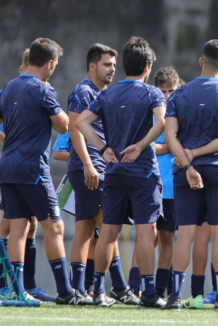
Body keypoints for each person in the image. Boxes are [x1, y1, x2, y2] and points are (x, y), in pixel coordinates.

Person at [76, 36, 166, 308]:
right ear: (148, 66)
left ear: (125, 65)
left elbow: (81, 122)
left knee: (109, 232)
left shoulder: (107, 94)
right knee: (145, 230)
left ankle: (97, 291)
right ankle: (148, 292)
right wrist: (140, 146)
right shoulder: (152, 93)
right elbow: (162, 123)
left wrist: (104, 149)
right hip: (143, 173)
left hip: (114, 172)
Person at [0, 37, 88, 304]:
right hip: (32, 168)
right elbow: (63, 126)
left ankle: (16, 289)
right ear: (50, 63)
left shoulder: (9, 87)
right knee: (56, 227)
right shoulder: (43, 89)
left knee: (19, 227)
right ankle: (65, 292)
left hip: (8, 166)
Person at [163, 39, 218, 312]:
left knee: (185, 234)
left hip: (185, 170)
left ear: (201, 61)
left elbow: (169, 136)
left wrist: (188, 163)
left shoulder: (178, 94)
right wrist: (198, 154)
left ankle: (175, 297)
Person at [67, 44, 139, 306]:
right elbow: (76, 130)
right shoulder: (82, 92)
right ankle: (118, 286)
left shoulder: (105, 93)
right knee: (109, 226)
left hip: (100, 167)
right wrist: (88, 164)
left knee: (86, 230)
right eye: (107, 64)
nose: (112, 69)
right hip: (90, 168)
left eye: (113, 64)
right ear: (92, 66)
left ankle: (77, 289)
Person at [151, 67, 181, 299]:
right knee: (152, 236)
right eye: (163, 92)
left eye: (171, 90)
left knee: (169, 236)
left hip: (174, 186)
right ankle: (143, 287)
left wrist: (155, 147)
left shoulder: (182, 111)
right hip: (151, 184)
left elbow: (174, 144)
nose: (167, 96)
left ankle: (166, 290)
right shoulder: (152, 112)